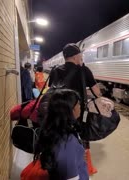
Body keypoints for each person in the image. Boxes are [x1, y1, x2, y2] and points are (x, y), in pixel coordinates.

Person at [48, 43, 100, 175]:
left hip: (59, 110)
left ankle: (61, 165)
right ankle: (84, 168)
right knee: (82, 137)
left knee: (60, 135)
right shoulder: (84, 70)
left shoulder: (55, 70)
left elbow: (51, 90)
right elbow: (97, 92)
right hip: (78, 112)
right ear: (76, 57)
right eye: (80, 55)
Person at [34, 89, 88, 180]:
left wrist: (78, 155)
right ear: (71, 109)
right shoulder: (67, 143)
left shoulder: (57, 130)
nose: (80, 106)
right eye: (78, 103)